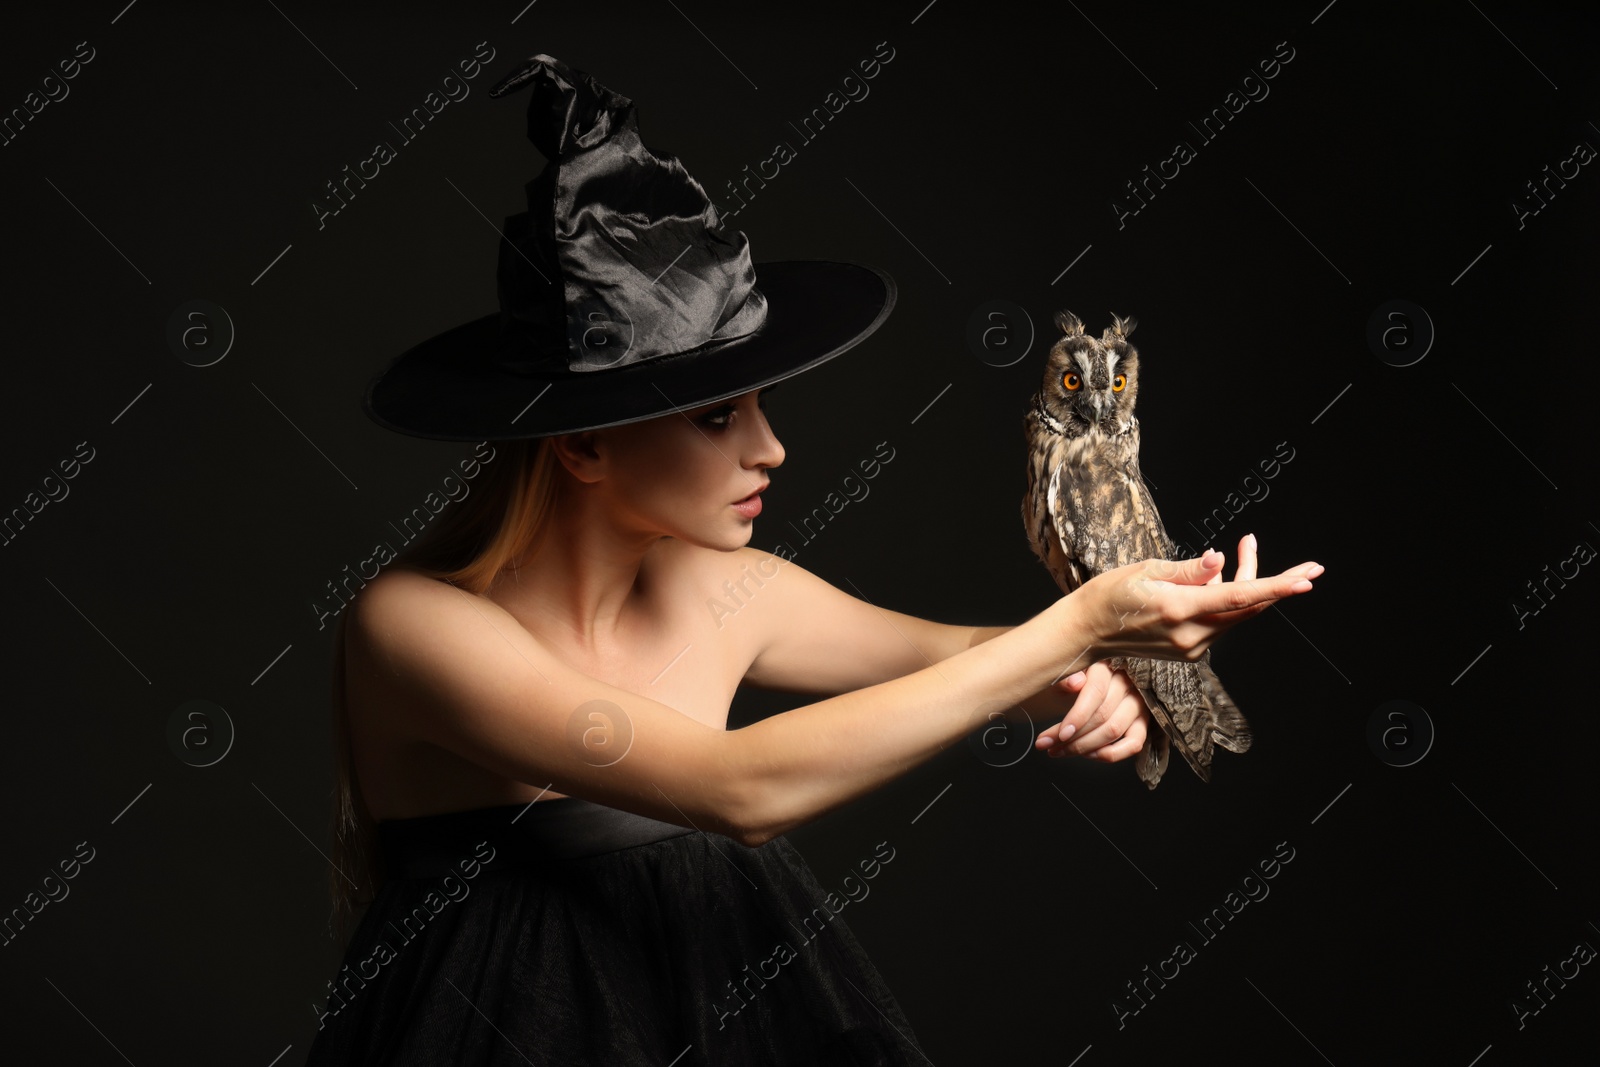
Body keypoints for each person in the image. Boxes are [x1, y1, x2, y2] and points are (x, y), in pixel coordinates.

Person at [304, 54, 1323, 1065]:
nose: (769, 449)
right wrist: (1079, 627)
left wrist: (1100, 662)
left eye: (759, 405)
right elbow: (736, 788)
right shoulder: (411, 625)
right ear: (581, 444)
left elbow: (957, 654)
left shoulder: (720, 588)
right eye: (715, 415)